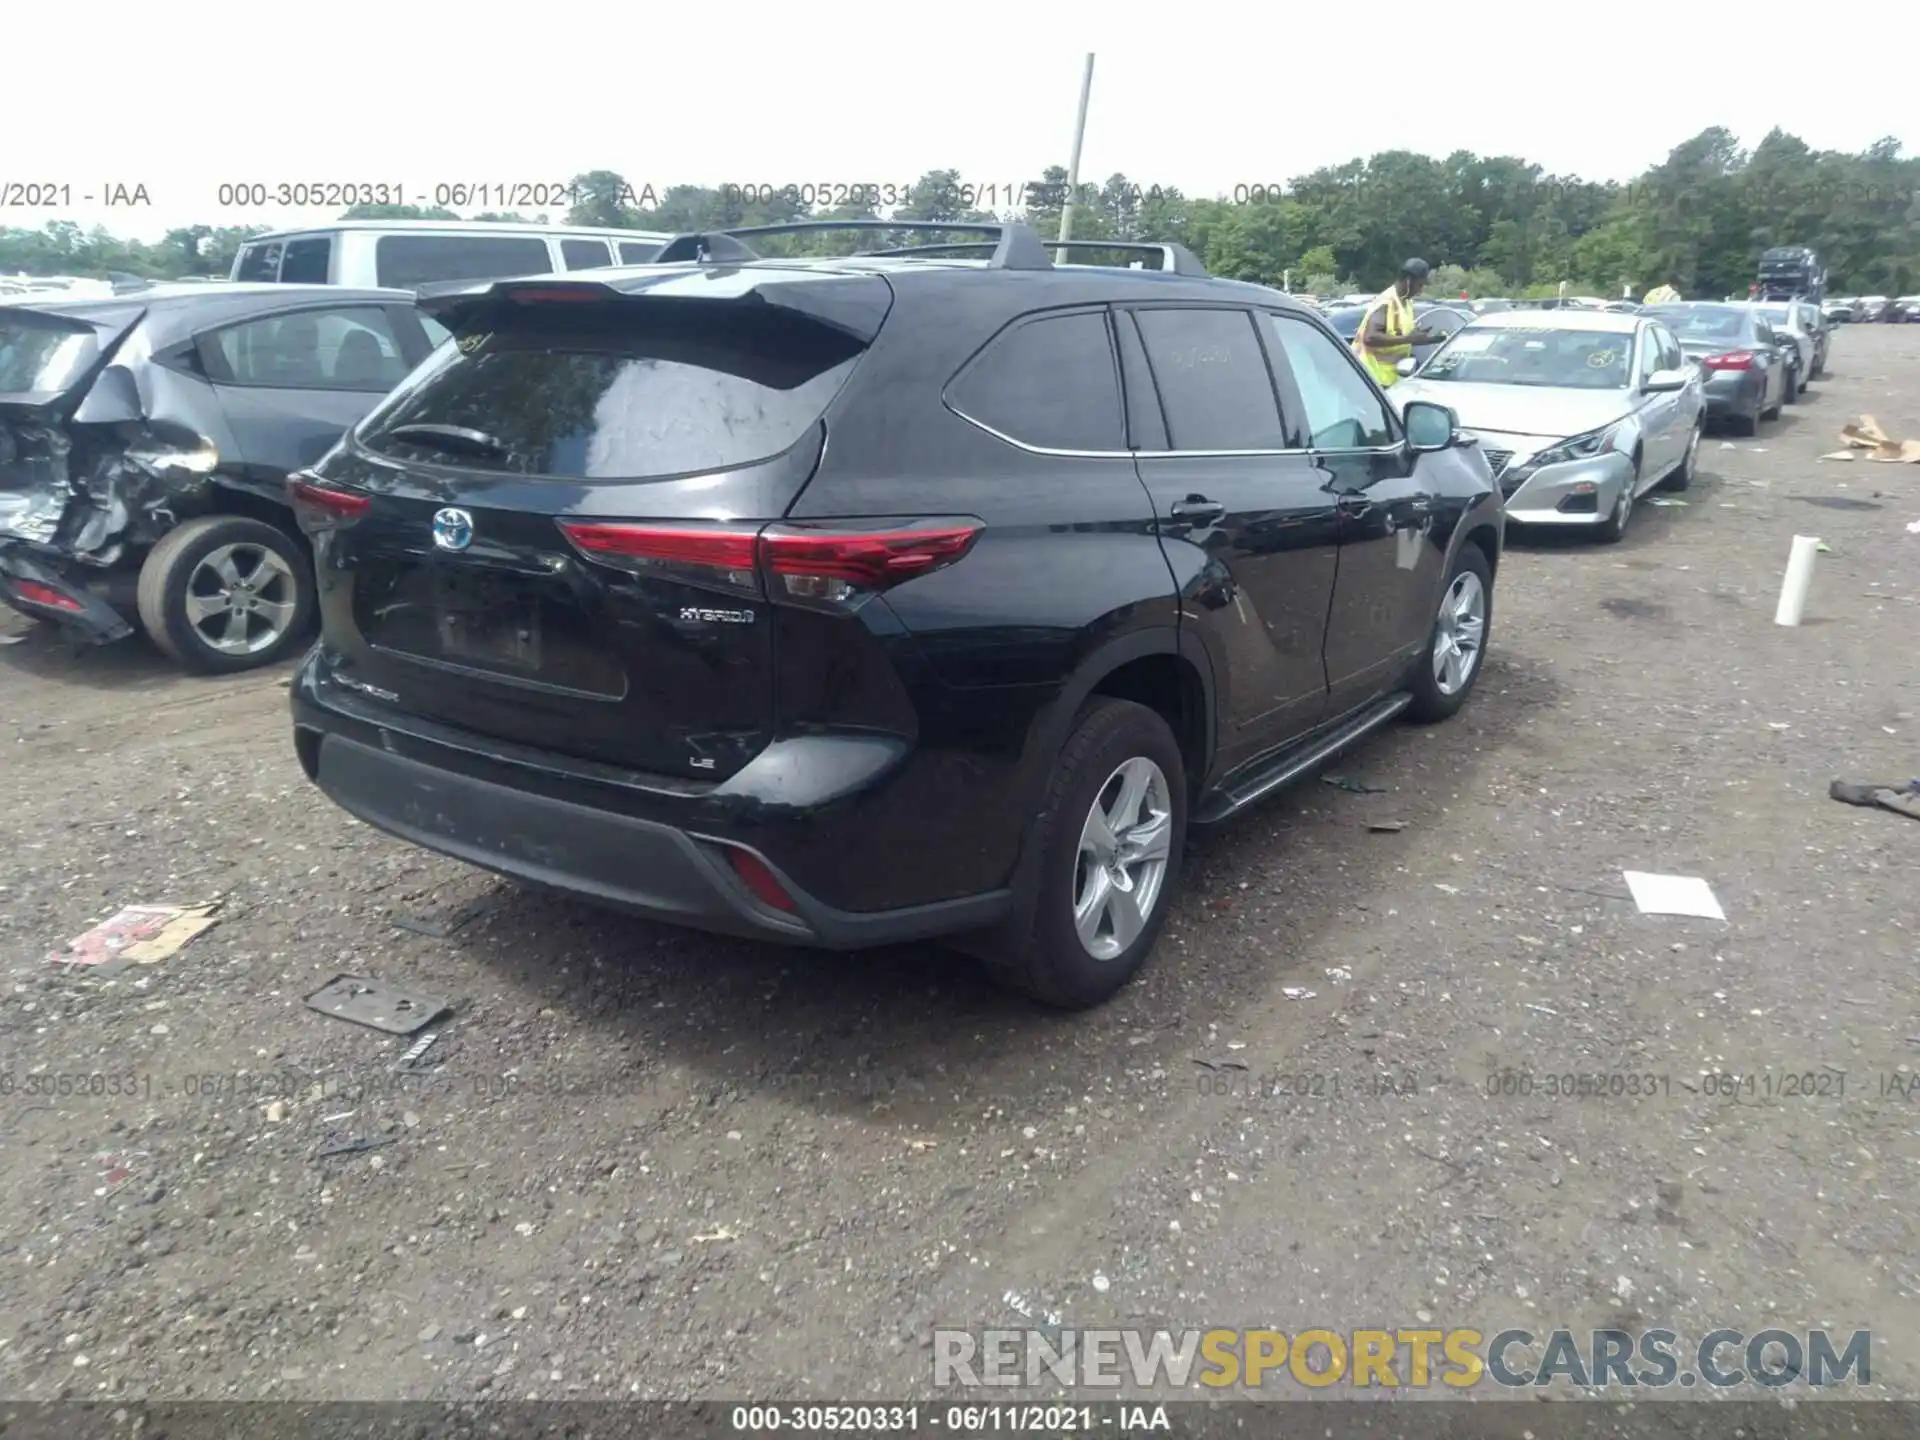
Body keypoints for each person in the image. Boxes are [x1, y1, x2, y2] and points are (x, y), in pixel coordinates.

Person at [1353, 258, 1443, 387]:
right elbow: (1370, 337)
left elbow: (1400, 337)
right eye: (1420, 285)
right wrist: (1409, 339)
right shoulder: (1386, 302)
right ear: (1408, 281)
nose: (1420, 290)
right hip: (1370, 379)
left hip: (1390, 380)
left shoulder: (1406, 303)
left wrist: (1422, 339)